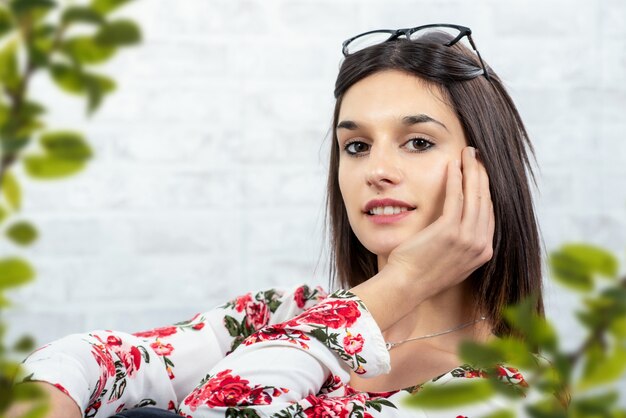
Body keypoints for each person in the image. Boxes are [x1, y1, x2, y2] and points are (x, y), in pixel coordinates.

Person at [10, 23, 543, 418]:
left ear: (484, 170)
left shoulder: (507, 391)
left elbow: (233, 408)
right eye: (355, 146)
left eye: (418, 142)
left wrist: (405, 280)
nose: (377, 171)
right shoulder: (291, 312)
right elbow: (94, 358)